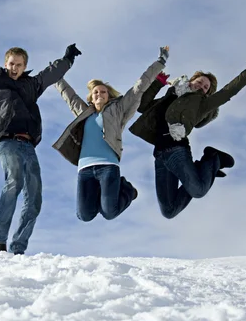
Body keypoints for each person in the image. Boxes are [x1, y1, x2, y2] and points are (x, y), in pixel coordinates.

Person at [0, 10, 81, 254]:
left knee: (35, 198)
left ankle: (18, 248)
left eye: (19, 65)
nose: (14, 68)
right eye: (11, 64)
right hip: (7, 141)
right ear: (5, 62)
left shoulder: (31, 86)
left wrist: (68, 60)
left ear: (25, 66)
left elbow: (50, 74)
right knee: (15, 182)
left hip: (29, 145)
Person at [128, 55, 246, 219]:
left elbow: (228, 91)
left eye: (205, 88)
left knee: (198, 190)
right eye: (200, 82)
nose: (201, 87)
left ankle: (213, 158)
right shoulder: (170, 95)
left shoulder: (201, 105)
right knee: (169, 211)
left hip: (176, 150)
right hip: (160, 155)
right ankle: (203, 171)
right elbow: (142, 106)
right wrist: (158, 82)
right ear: (191, 80)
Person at [52, 47, 169, 222]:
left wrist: (160, 62)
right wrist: (56, 73)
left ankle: (127, 190)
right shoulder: (84, 112)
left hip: (108, 166)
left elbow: (140, 86)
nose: (100, 94)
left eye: (103, 91)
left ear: (108, 95)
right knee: (84, 215)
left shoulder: (118, 108)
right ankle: (106, 191)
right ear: (91, 97)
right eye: (96, 92)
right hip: (84, 169)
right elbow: (68, 94)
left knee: (109, 212)